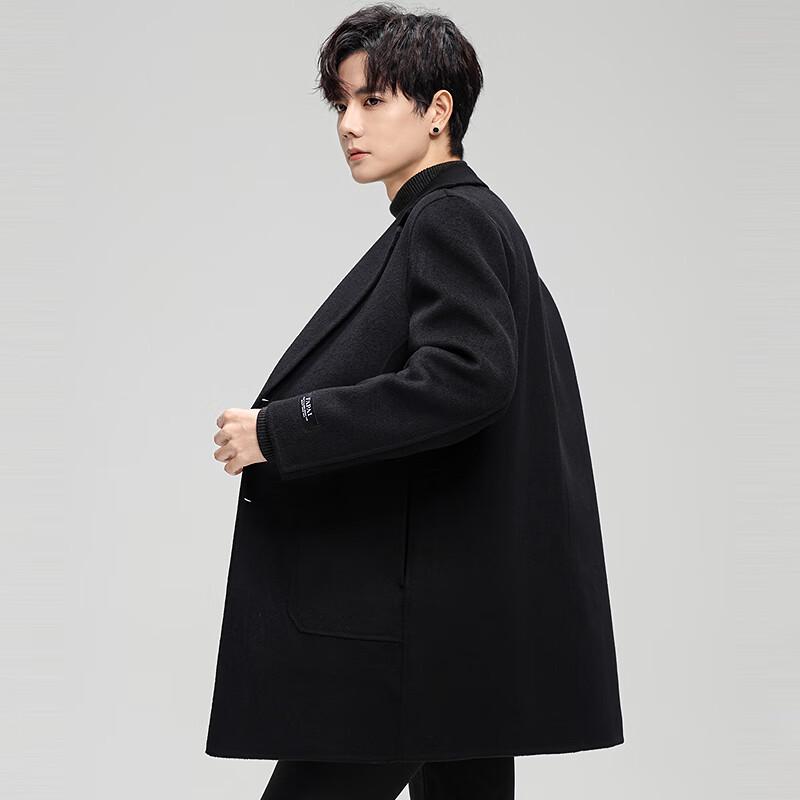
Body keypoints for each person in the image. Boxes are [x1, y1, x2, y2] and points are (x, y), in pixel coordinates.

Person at [207, 5, 624, 798]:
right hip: (454, 632)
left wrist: (279, 430)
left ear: (438, 111)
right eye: (341, 103)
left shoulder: (450, 218)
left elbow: (467, 377)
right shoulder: (461, 219)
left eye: (372, 100)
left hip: (414, 638)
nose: (348, 124)